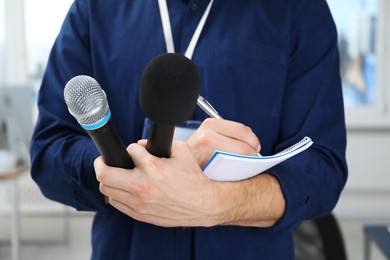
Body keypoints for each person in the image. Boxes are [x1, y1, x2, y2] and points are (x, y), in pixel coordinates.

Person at [30, 0, 348, 259]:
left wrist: (215, 201)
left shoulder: (299, 9)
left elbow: (322, 168)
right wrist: (129, 173)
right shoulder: (93, 9)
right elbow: (48, 152)